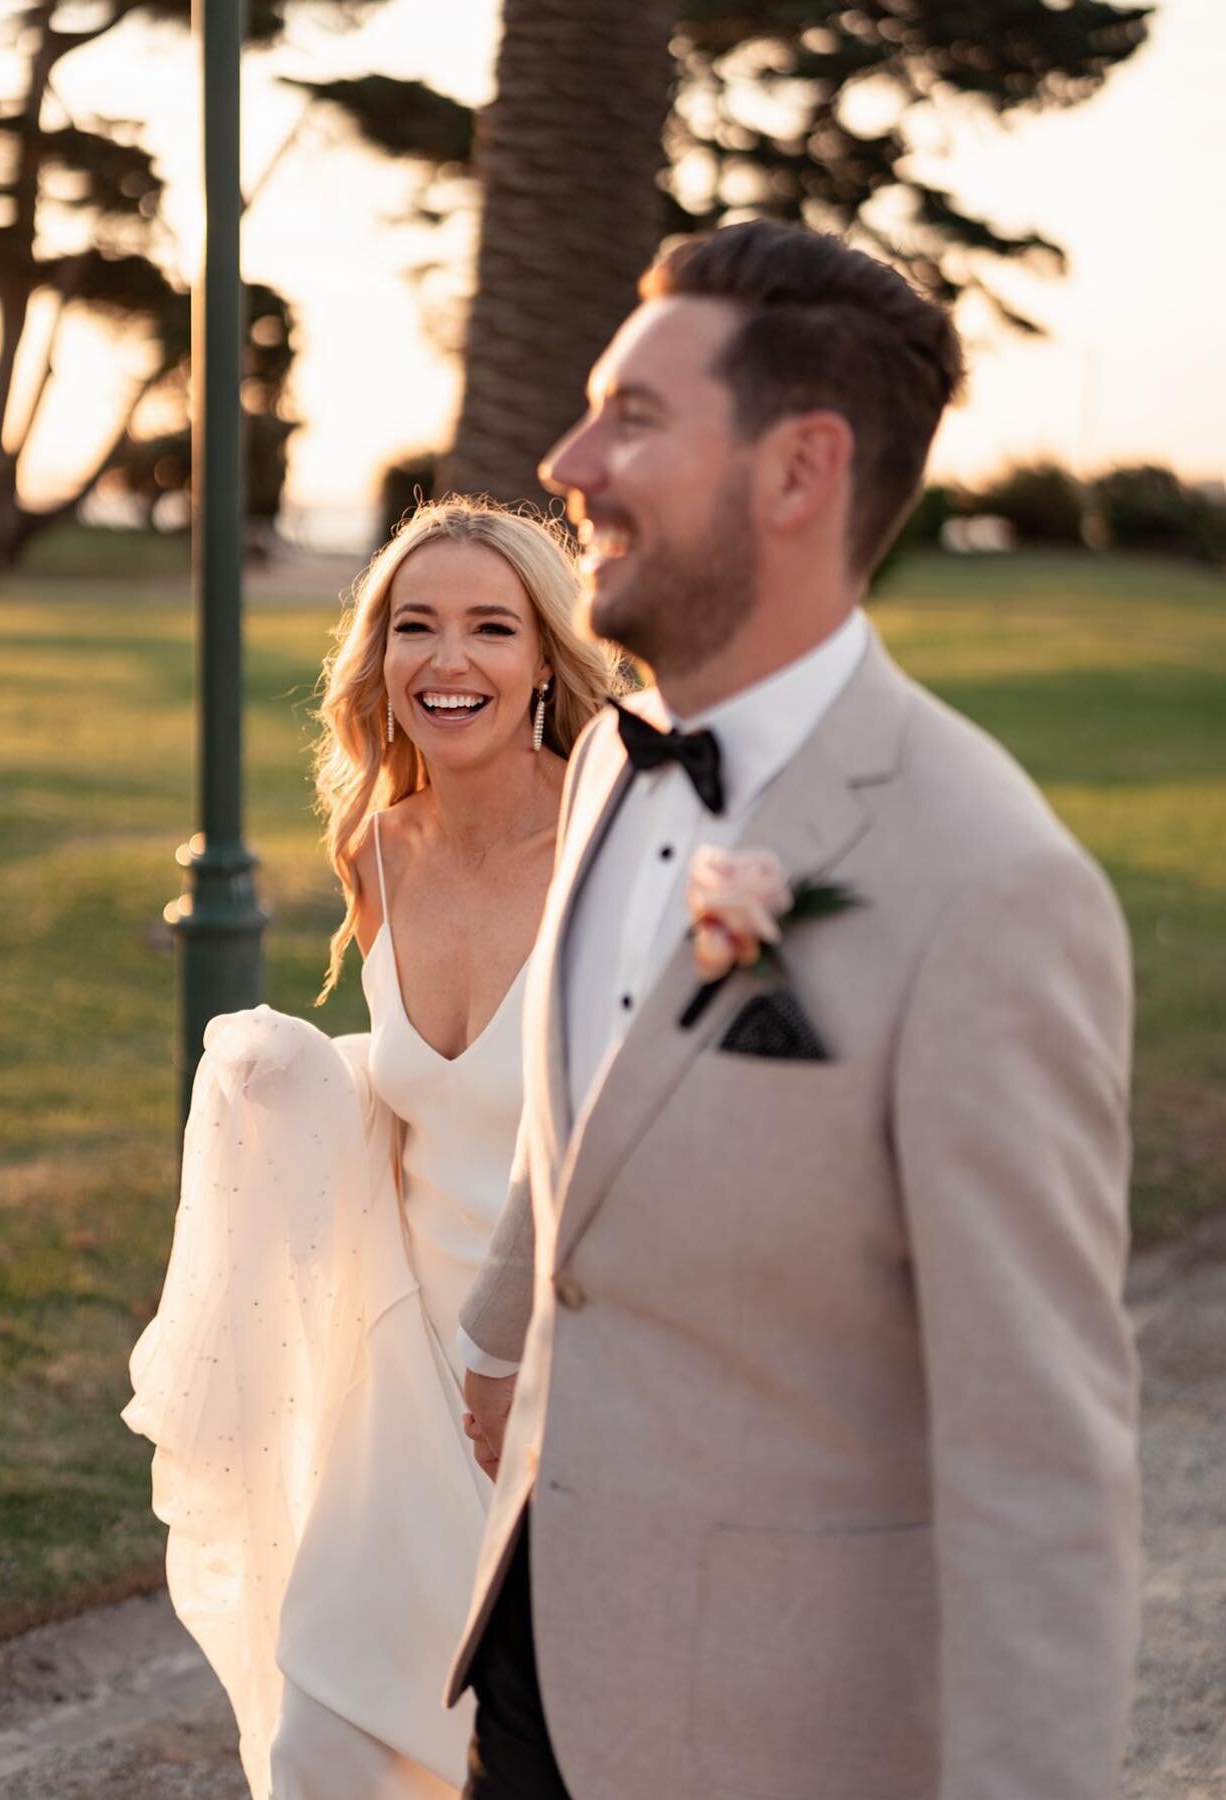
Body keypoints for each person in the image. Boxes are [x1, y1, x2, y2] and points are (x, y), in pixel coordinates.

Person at [450, 221, 1140, 1800]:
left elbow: (1044, 1467)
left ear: (799, 469)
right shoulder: (617, 757)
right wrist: (499, 1333)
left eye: (633, 418)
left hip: (777, 1735)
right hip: (531, 1657)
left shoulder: (991, 886)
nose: (567, 461)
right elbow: (601, 1101)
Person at [124, 497, 618, 1797]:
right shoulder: (377, 848)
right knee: (329, 1744)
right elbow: (420, 1099)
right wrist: (294, 1083)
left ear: (545, 665)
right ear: (377, 660)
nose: (448, 660)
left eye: (490, 628)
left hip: (565, 1383)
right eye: (415, 626)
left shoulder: (610, 848)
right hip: (401, 1370)